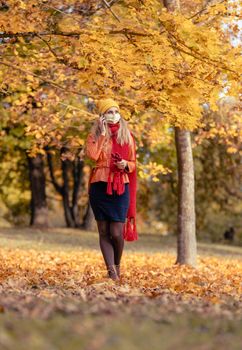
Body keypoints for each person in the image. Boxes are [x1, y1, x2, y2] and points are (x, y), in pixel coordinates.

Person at [84, 97, 138, 282]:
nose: (114, 115)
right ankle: (112, 273)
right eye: (109, 112)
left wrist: (125, 165)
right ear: (102, 116)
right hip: (99, 185)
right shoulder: (94, 136)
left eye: (116, 112)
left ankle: (117, 265)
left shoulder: (127, 136)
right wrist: (100, 133)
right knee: (103, 231)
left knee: (116, 232)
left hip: (120, 185)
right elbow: (93, 155)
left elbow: (133, 163)